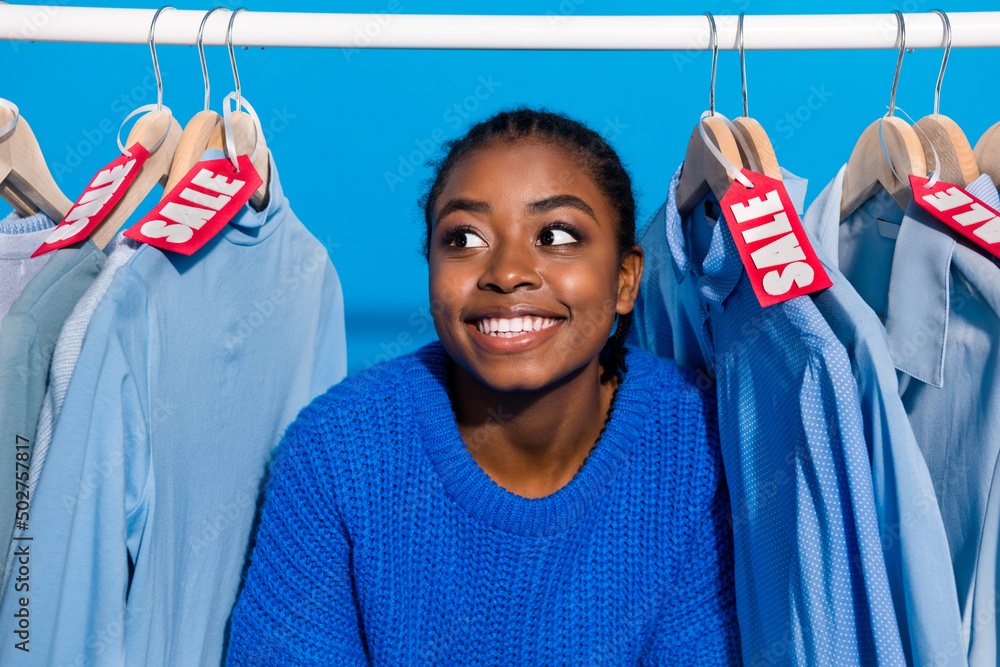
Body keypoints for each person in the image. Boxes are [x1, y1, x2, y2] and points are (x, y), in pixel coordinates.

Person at [225, 108, 740, 665]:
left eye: (557, 235)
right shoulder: (337, 452)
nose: (507, 271)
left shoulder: (704, 445)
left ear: (624, 280)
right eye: (465, 238)